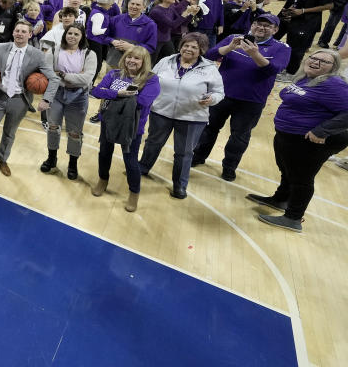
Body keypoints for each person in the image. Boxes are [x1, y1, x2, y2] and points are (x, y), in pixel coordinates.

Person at [248, 50, 348, 233]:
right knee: (287, 170)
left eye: (323, 62)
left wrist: (322, 131)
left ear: (333, 68)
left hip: (309, 141)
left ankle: (293, 217)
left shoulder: (333, 84)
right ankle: (281, 199)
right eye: (314, 58)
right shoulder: (305, 77)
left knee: (301, 178)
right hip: (289, 135)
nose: (316, 62)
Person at [192, 14, 290, 180]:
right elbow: (209, 56)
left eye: (267, 26)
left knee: (239, 136)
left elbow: (273, 70)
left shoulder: (282, 47)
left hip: (251, 100)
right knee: (209, 129)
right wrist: (229, 48)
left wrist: (254, 54)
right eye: (258, 23)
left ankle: (229, 167)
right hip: (221, 94)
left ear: (275, 29)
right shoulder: (233, 38)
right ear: (252, 25)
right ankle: (198, 156)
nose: (261, 27)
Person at [137, 33, 225, 199]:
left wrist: (212, 99)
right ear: (181, 46)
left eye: (194, 47)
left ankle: (179, 185)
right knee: (153, 143)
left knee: (184, 153)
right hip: (161, 112)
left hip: (192, 117)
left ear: (201, 50)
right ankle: (142, 168)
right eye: (186, 45)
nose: (189, 49)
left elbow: (219, 92)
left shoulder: (210, 69)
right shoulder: (166, 61)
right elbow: (150, 79)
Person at [0, 20, 58, 176]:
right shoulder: (0, 48)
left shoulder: (37, 55)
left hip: (19, 100)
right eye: (17, 31)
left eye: (23, 32)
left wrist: (46, 99)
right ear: (13, 32)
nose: (19, 34)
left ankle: (2, 160)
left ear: (30, 35)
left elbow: (54, 78)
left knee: (9, 133)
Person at [90, 47, 162, 212]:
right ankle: (103, 180)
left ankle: (134, 193)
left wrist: (112, 93)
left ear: (144, 62)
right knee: (104, 153)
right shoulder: (114, 74)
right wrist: (118, 94)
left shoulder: (151, 79)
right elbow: (96, 90)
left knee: (130, 160)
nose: (132, 61)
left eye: (137, 59)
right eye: (129, 57)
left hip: (132, 127)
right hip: (108, 121)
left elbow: (143, 101)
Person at [41, 23, 96, 180]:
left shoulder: (89, 54)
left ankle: (73, 163)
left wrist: (63, 75)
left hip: (78, 97)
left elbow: (86, 79)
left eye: (76, 34)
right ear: (65, 34)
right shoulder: (54, 50)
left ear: (82, 37)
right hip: (56, 93)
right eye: (69, 33)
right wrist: (75, 76)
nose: (72, 36)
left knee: (74, 132)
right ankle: (51, 158)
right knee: (52, 127)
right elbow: (47, 71)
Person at [274, 0, 333, 80]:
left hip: (306, 23)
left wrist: (304, 10)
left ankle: (291, 74)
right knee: (283, 43)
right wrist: (286, 11)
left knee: (297, 49)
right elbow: (282, 0)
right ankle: (282, 67)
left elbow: (329, 5)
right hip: (289, 20)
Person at [147, 0, 199, 64]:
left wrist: (192, 14)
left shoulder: (171, 7)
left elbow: (181, 22)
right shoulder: (157, 11)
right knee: (152, 63)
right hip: (156, 40)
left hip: (166, 39)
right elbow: (173, 25)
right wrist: (186, 12)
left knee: (172, 61)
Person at [105, 0, 158, 67]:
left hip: (135, 66)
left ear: (144, 7)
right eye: (132, 3)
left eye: (138, 5)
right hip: (113, 62)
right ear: (128, 4)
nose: (134, 6)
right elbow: (105, 36)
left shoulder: (150, 25)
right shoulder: (116, 19)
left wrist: (132, 47)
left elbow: (151, 47)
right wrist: (112, 41)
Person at [86, 0, 120, 88]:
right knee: (96, 66)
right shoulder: (99, 14)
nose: (111, 7)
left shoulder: (97, 11)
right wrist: (108, 29)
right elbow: (96, 31)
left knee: (97, 64)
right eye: (110, 4)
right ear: (105, 4)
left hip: (96, 41)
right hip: (95, 42)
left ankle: (90, 85)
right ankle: (89, 86)